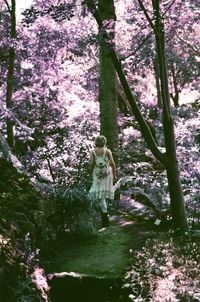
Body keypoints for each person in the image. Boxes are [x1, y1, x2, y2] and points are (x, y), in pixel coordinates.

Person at [88, 135, 117, 227]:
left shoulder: (93, 151)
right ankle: (105, 217)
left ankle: (103, 216)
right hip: (106, 174)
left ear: (96, 142)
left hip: (97, 174)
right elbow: (112, 163)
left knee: (98, 194)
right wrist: (115, 174)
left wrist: (90, 174)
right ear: (104, 142)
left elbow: (91, 164)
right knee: (101, 194)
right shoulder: (107, 151)